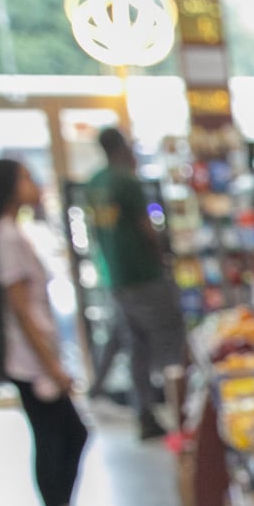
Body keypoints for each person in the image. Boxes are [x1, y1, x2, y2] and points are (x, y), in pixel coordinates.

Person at [0, 157, 116, 506]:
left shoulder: (12, 233)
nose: (34, 183)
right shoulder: (6, 237)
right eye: (24, 177)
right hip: (30, 363)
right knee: (62, 436)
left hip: (36, 360)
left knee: (64, 435)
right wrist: (52, 366)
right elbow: (22, 311)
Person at [85, 127, 185, 441]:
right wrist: (163, 259)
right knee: (170, 342)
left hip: (115, 277)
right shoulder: (126, 181)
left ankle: (144, 413)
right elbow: (147, 227)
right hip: (143, 275)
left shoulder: (94, 183)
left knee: (135, 348)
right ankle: (182, 413)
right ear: (122, 147)